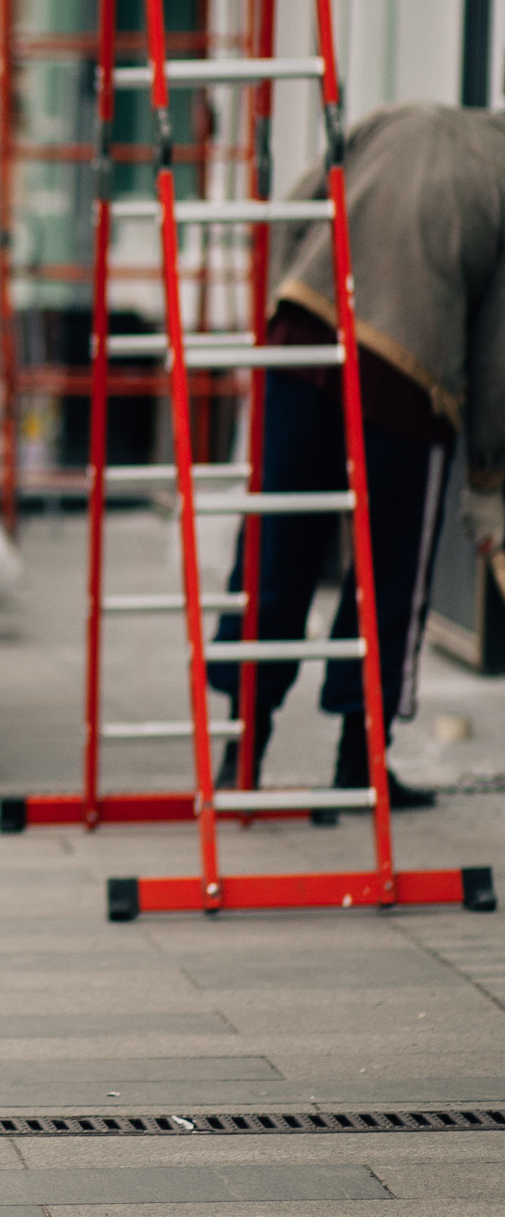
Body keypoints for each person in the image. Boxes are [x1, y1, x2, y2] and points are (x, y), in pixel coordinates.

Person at [211, 103, 505, 810]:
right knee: (388, 569)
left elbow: (295, 208)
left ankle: (240, 755)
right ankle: (359, 760)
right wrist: (488, 477)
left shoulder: (396, 117)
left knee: (277, 544)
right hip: (405, 369)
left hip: (302, 332)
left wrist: (286, 314)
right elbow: (498, 349)